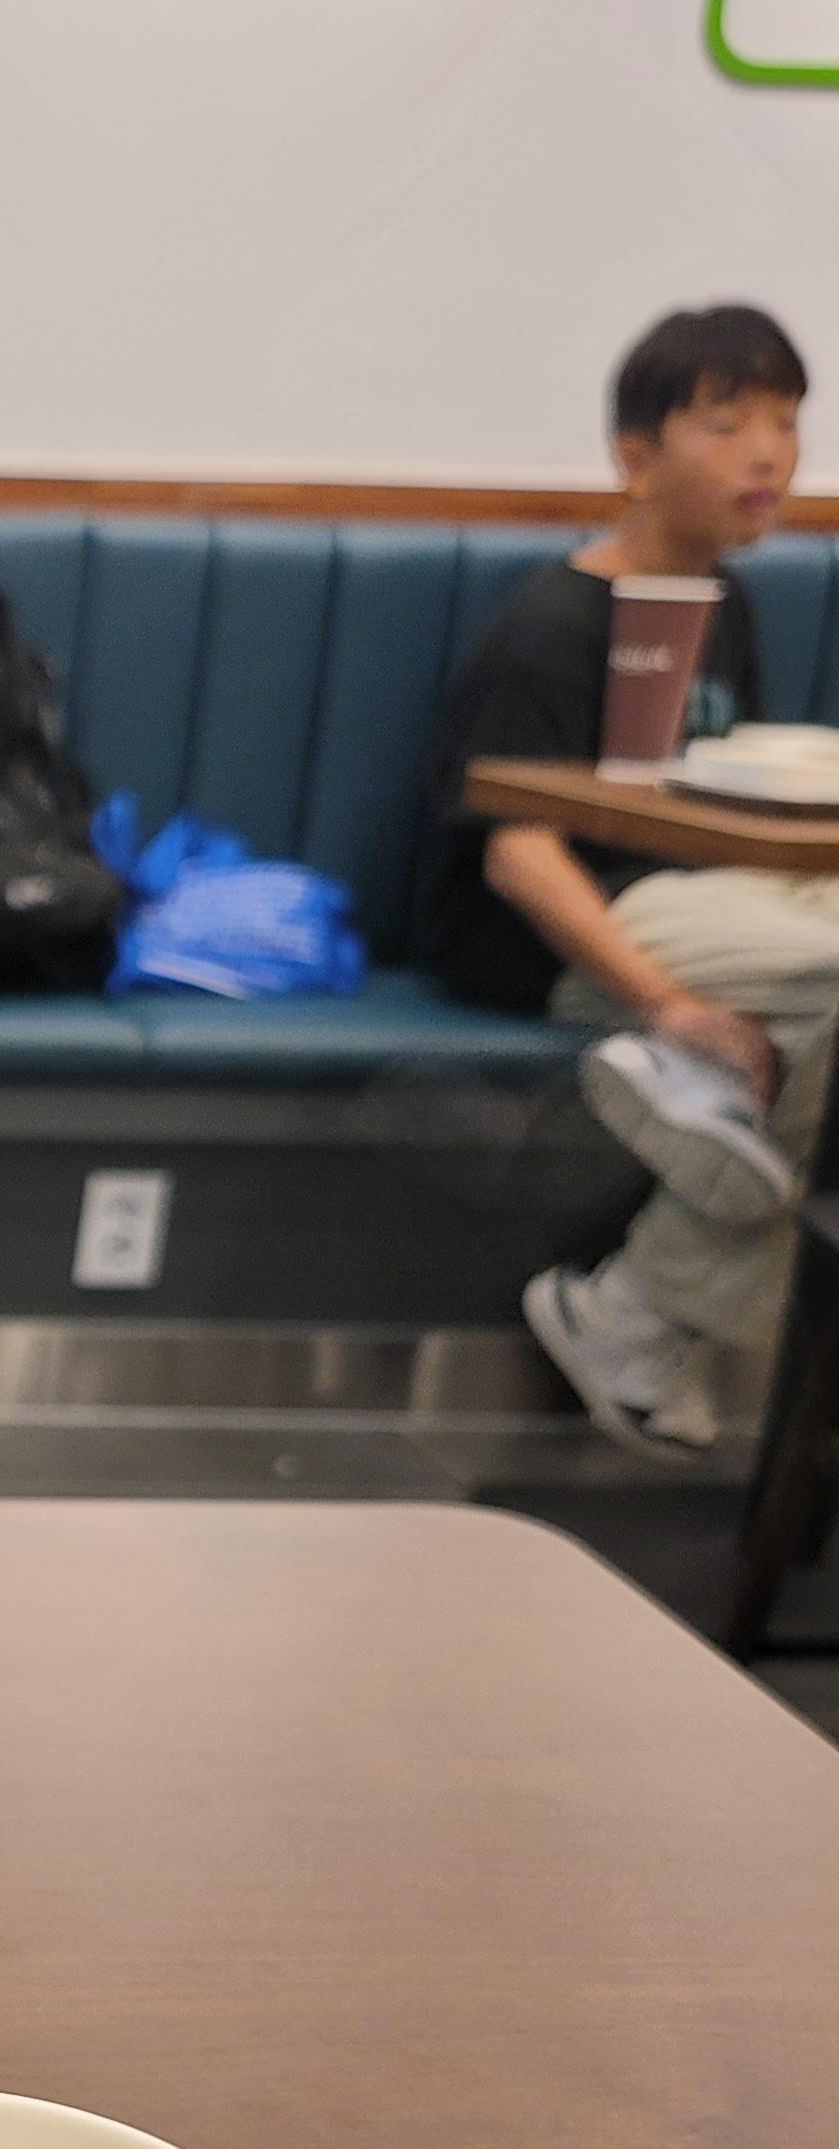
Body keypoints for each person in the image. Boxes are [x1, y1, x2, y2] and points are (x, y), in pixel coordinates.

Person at [416, 304, 839, 1457]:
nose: (769, 456)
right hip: (555, 934)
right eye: (728, 425)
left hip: (699, 893)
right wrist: (669, 1004)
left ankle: (699, 1147)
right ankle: (636, 1309)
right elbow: (519, 852)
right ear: (635, 459)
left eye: (787, 424)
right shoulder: (554, 624)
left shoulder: (726, 605)